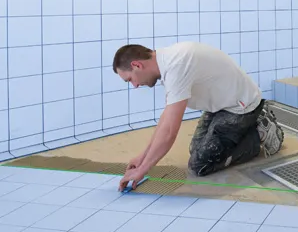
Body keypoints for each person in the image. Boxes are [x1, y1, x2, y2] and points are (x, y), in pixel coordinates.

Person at [112, 42, 284, 191]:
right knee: (197, 150)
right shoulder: (167, 62)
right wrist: (141, 158)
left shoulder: (176, 65)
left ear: (137, 65)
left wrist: (143, 170)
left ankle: (259, 132)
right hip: (219, 105)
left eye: (129, 79)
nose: (134, 85)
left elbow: (170, 131)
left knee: (200, 165)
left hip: (240, 106)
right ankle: (246, 129)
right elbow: (166, 118)